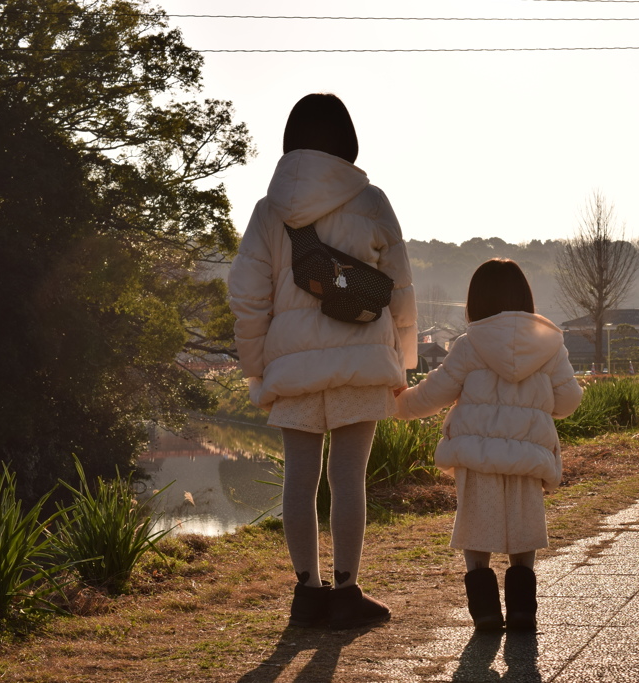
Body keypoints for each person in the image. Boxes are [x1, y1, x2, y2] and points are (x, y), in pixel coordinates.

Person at [227, 93, 417, 630]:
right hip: (363, 358)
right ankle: (347, 591)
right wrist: (403, 358)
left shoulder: (269, 210)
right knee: (349, 478)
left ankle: (307, 592)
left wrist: (257, 366)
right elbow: (399, 286)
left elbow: (247, 295)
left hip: (292, 365)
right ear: (346, 141)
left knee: (299, 479)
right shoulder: (372, 201)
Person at [393, 259, 582, 631]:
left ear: (475, 301)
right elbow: (567, 403)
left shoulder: (470, 344)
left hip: (476, 454)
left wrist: (398, 400)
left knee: (476, 528)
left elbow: (434, 394)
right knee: (523, 529)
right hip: (529, 454)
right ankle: (524, 611)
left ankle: (485, 614)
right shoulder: (550, 345)